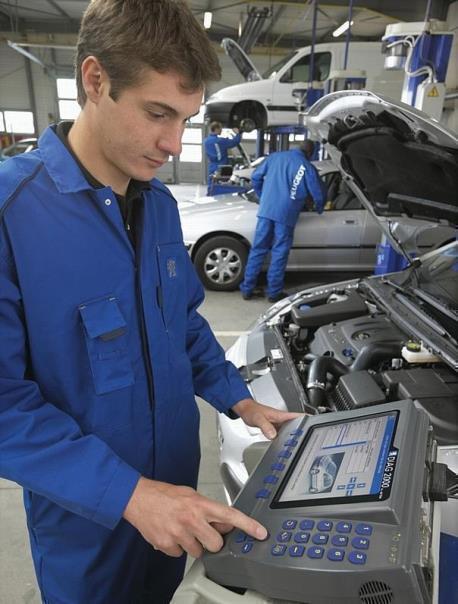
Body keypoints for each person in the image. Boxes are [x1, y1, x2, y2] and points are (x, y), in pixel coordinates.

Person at [0, 2, 300, 603]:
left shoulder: (159, 207)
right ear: (94, 80)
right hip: (90, 521)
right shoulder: (12, 212)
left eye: (186, 119)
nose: (172, 142)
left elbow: (181, 325)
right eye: (158, 113)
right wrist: (131, 495)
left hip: (177, 496)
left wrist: (237, 396)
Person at [240, 141, 325, 302]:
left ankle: (247, 289)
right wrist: (319, 208)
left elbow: (256, 176)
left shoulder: (274, 157)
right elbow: (317, 193)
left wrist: (262, 195)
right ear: (310, 153)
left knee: (258, 249)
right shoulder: (306, 166)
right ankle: (274, 293)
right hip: (286, 214)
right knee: (279, 252)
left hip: (266, 211)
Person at [203, 121, 241, 186]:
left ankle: (210, 195)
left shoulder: (206, 141)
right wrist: (237, 134)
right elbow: (234, 142)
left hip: (212, 166)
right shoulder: (220, 141)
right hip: (221, 167)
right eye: (220, 129)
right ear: (216, 129)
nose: (221, 131)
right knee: (221, 186)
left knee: (211, 184)